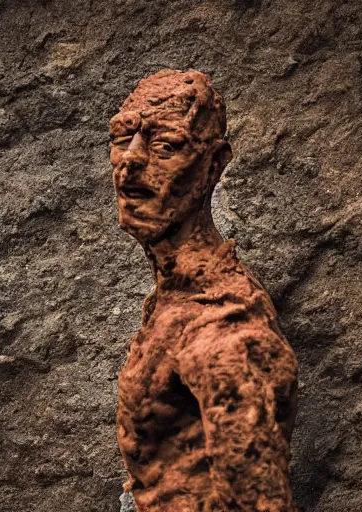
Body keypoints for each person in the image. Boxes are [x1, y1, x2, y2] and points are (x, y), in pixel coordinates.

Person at [110, 69, 298, 511]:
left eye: (165, 146)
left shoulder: (222, 332)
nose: (131, 160)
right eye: (122, 137)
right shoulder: (175, 295)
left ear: (213, 165)